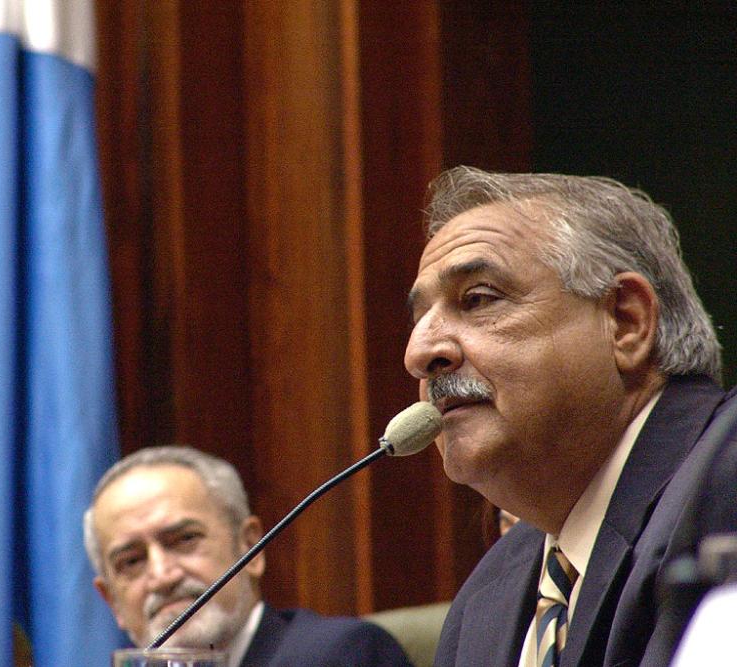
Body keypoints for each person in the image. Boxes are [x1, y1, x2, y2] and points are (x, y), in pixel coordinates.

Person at [403, 166, 736, 667]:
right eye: (419, 320)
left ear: (625, 321)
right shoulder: (487, 599)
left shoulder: (724, 487)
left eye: (478, 299)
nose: (419, 353)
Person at [83, 445, 414, 667]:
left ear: (250, 548)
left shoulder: (341, 655)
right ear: (111, 601)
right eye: (131, 561)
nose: (162, 575)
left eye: (184, 540)